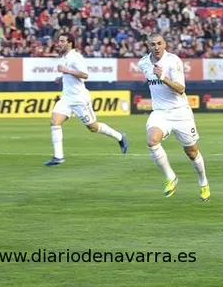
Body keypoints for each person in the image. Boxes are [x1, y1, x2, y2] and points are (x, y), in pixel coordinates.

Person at [137, 33, 210, 201]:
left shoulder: (173, 61)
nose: (156, 47)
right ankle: (170, 177)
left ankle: (203, 182)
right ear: (148, 45)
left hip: (180, 112)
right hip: (160, 112)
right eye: (153, 44)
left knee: (191, 152)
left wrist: (163, 77)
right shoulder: (143, 63)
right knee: (152, 140)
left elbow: (180, 89)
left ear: (165, 44)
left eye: (159, 43)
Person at [45, 33, 128, 166]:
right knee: (55, 122)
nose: (59, 43)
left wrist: (66, 71)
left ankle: (119, 136)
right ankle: (58, 157)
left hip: (79, 99)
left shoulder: (75, 57)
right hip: (66, 98)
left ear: (70, 43)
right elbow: (71, 75)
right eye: (59, 41)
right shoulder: (65, 57)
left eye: (62, 41)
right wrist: (61, 78)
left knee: (93, 127)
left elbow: (85, 75)